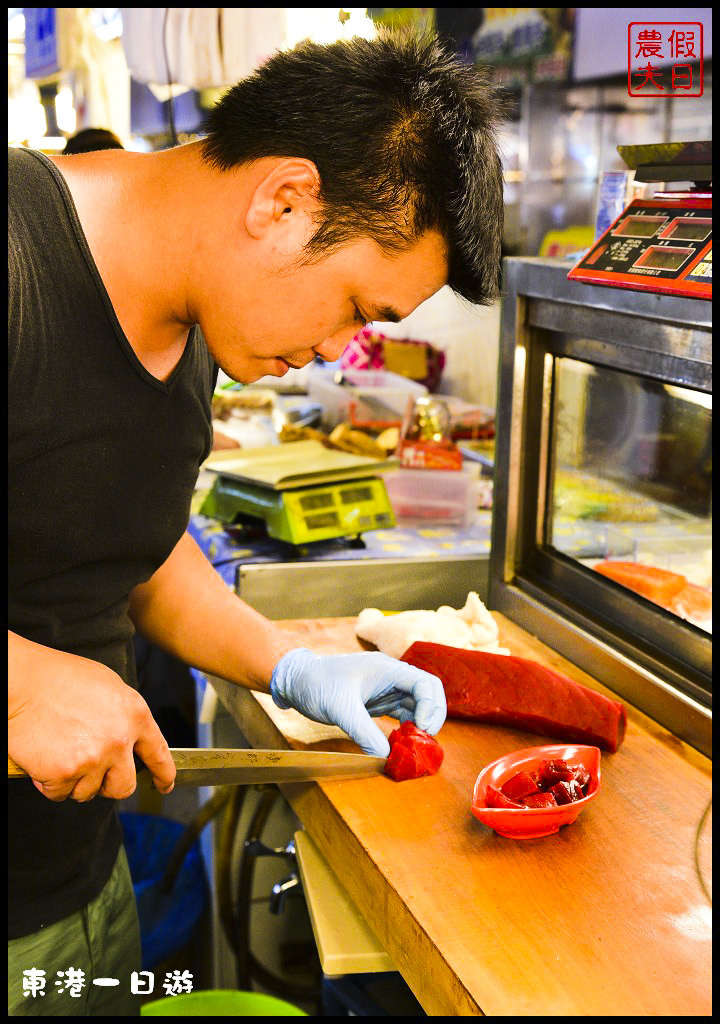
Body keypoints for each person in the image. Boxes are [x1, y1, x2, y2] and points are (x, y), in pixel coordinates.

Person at [8, 30, 504, 1016]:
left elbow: (135, 551)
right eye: (357, 306)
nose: (337, 348)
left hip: (75, 885)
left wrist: (284, 664)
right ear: (283, 202)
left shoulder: (201, 323)